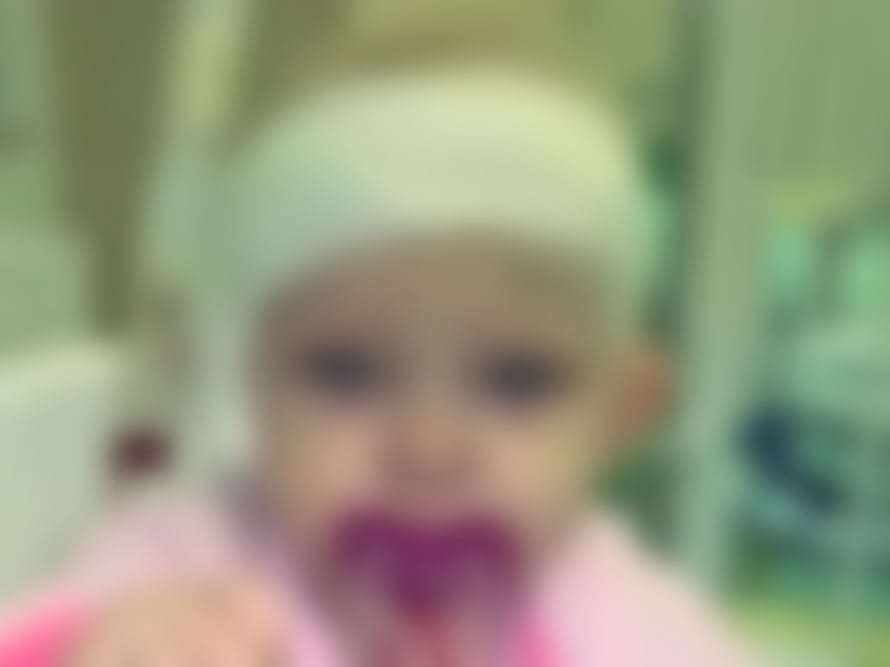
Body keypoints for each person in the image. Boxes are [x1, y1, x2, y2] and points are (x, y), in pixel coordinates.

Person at [0, 62, 758, 666]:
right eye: (347, 371)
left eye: (516, 380)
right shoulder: (176, 558)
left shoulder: (632, 622)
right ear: (249, 383)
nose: (429, 448)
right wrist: (88, 649)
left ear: (621, 409)